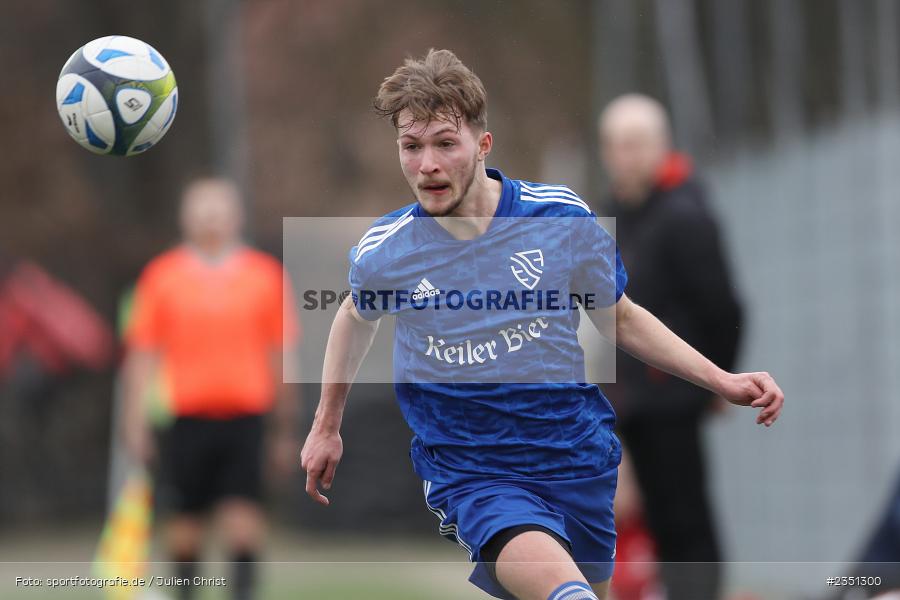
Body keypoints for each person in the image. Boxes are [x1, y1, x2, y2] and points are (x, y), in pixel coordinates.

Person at [300, 49, 783, 600]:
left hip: (575, 457)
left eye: (444, 143)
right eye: (411, 147)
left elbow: (620, 317)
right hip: (475, 471)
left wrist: (722, 379)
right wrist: (325, 426)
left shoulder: (558, 218)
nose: (426, 164)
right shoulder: (387, 251)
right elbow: (353, 316)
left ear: (483, 145)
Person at [122, 177, 300, 600]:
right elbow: (142, 356)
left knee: (243, 527)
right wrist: (135, 424)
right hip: (185, 421)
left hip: (246, 420)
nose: (210, 216)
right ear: (185, 216)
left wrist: (285, 428)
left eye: (219, 207)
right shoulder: (161, 276)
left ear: (236, 214)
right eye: (201, 207)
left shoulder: (265, 276)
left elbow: (282, 355)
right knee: (185, 532)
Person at [598, 93, 743, 600]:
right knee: (653, 519)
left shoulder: (685, 215)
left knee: (686, 522)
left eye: (635, 144)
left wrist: (714, 384)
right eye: (615, 145)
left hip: (673, 398)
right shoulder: (621, 214)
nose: (624, 156)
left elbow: (723, 309)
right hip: (632, 400)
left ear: (661, 146)